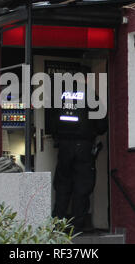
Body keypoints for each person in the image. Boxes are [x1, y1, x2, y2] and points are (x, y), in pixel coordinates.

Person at [50, 74, 107, 233]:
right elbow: (102, 124)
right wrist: (92, 131)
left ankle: (57, 224)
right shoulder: (90, 96)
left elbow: (52, 120)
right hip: (83, 146)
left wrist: (59, 137)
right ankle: (77, 227)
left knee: (62, 185)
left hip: (64, 147)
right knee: (82, 186)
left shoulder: (60, 95)